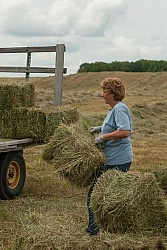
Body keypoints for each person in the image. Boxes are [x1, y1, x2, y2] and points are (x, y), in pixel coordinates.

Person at [85, 77, 133, 236]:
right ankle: (106, 227)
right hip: (112, 158)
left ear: (112, 93)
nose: (102, 95)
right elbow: (115, 126)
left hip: (118, 160)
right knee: (105, 195)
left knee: (95, 195)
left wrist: (103, 137)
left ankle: (95, 230)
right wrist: (99, 129)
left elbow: (125, 131)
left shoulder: (119, 109)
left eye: (104, 92)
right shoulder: (113, 109)